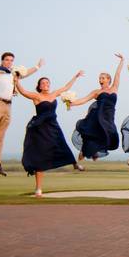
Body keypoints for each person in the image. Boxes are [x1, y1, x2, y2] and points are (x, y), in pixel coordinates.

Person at [0, 29, 41, 178]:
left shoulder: (14, 74)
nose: (9, 62)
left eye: (11, 60)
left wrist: (37, 67)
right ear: (2, 60)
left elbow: (26, 73)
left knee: (0, 135)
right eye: (7, 60)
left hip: (8, 106)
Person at [15, 69, 84, 197]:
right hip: (40, 129)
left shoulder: (54, 94)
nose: (45, 84)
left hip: (53, 126)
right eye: (43, 83)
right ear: (39, 86)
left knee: (62, 144)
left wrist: (76, 76)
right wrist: (16, 80)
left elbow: (66, 87)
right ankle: (38, 189)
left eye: (47, 82)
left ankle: (75, 164)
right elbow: (23, 91)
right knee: (40, 157)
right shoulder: (36, 96)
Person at [71, 54, 124, 165]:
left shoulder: (114, 88)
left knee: (110, 134)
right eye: (99, 78)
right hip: (98, 115)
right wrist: (71, 103)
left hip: (109, 116)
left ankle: (93, 151)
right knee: (94, 132)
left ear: (108, 80)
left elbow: (118, 74)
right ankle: (86, 150)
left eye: (103, 78)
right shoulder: (96, 92)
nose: (100, 80)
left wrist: (122, 60)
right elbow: (84, 99)